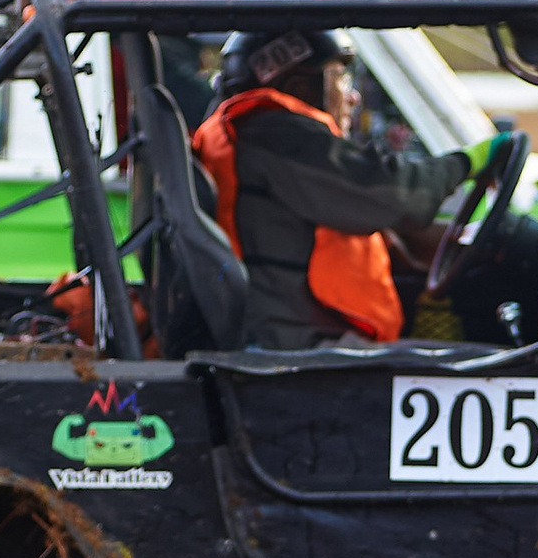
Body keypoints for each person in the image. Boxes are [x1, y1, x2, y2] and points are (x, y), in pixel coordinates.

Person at [190, 29, 513, 349]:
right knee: (489, 363)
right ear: (299, 86)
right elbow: (393, 193)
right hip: (294, 347)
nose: (353, 96)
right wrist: (467, 162)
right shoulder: (277, 135)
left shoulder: (246, 133)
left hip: (283, 333)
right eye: (341, 77)